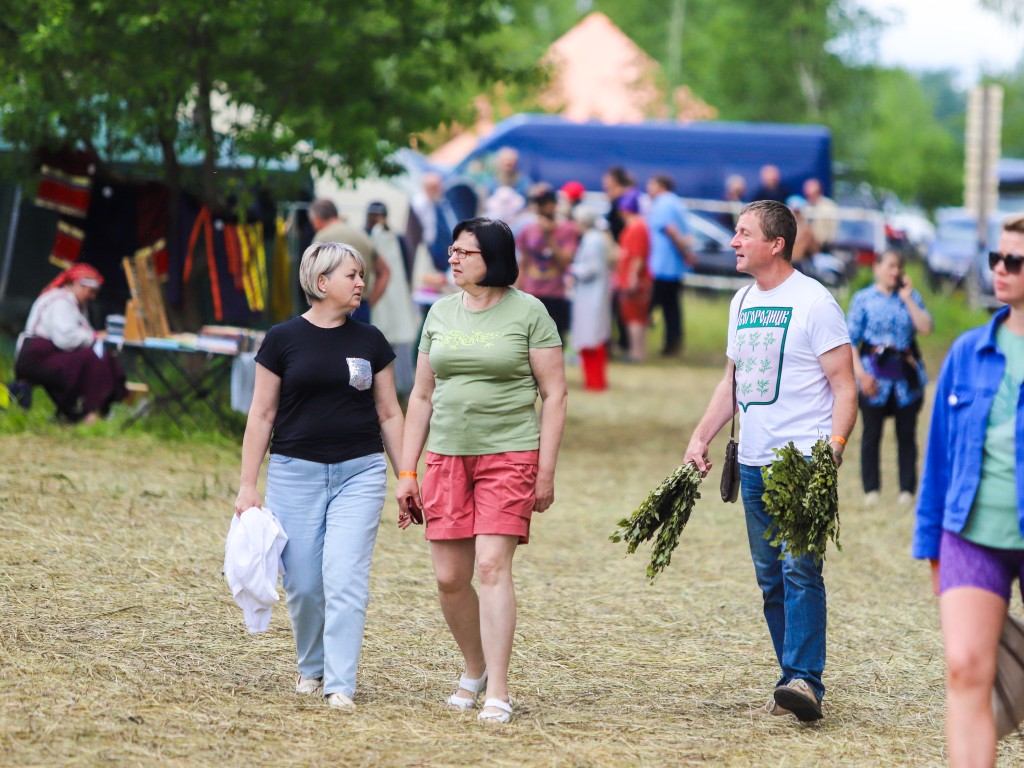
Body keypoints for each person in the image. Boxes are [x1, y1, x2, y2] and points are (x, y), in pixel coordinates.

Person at [683, 200, 857, 722]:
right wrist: (701, 436)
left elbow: (845, 387)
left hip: (802, 460)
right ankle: (791, 681)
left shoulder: (814, 302)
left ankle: (806, 680)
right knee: (771, 578)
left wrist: (834, 451)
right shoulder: (741, 302)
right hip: (755, 461)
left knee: (800, 569)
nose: (734, 242)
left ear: (775, 243)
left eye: (743, 233)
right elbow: (732, 381)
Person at [396, 217, 567, 724]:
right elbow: (421, 396)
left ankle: (499, 687)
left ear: (492, 257)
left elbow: (554, 394)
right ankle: (474, 668)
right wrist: (407, 472)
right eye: (451, 249)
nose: (453, 258)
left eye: (464, 252)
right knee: (450, 578)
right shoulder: (440, 313)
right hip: (446, 457)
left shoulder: (530, 312)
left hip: (509, 454)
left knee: (492, 567)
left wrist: (545, 470)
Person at [234, 241, 405, 710]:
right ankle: (312, 667)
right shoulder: (282, 339)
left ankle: (340, 684)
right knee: (305, 584)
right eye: (351, 275)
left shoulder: (370, 341)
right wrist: (248, 486)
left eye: (362, 275)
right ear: (321, 281)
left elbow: (390, 414)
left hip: (361, 473)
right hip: (294, 473)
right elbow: (261, 415)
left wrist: (406, 474)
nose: (360, 283)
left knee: (346, 579)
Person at [912, 213, 1024, 768]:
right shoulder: (967, 352)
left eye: (1015, 262)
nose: (1001, 270)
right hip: (970, 534)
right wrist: (931, 543)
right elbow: (939, 458)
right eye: (996, 259)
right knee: (965, 668)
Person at [847, 249, 933, 505]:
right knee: (871, 434)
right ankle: (871, 489)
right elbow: (850, 340)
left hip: (904, 377)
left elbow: (926, 327)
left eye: (899, 267)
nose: (895, 272)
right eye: (890, 266)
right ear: (877, 268)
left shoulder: (909, 297)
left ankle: (907, 489)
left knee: (907, 435)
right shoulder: (863, 299)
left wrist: (908, 299)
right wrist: (860, 375)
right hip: (873, 374)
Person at [14, 263, 127, 424]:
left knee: (98, 359)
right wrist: (95, 336)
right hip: (35, 358)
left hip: (49, 354)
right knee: (93, 359)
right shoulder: (61, 302)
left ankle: (87, 410)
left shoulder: (74, 304)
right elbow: (65, 340)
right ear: (78, 285)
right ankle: (88, 413)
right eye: (91, 291)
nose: (93, 296)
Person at [366, 201, 420, 397]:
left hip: (392, 295)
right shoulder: (371, 236)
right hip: (383, 295)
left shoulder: (394, 237)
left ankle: (400, 388)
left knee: (396, 342)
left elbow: (403, 269)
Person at [309, 199, 390, 323]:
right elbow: (385, 272)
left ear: (317, 219)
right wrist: (369, 303)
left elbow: (313, 277)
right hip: (360, 306)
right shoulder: (362, 236)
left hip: (331, 308)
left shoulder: (322, 238)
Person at [515, 185, 578, 339]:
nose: (541, 208)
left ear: (554, 205)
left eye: (545, 203)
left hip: (556, 292)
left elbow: (566, 263)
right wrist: (517, 289)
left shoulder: (568, 229)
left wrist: (549, 237)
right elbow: (523, 262)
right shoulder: (528, 229)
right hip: (532, 291)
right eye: (538, 203)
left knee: (555, 339)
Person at [645, 174, 696, 356]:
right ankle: (672, 344)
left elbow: (671, 230)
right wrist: (686, 254)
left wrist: (685, 252)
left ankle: (634, 343)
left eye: (651, 185)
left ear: (660, 186)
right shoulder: (676, 202)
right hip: (674, 266)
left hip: (661, 265)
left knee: (648, 305)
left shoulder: (663, 203)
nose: (648, 189)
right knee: (671, 308)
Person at [569, 205, 612, 391]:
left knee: (591, 338)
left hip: (591, 294)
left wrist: (573, 269)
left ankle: (595, 381)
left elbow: (591, 268)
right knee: (590, 337)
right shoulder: (594, 238)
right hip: (591, 294)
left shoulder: (592, 240)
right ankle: (592, 380)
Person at [408, 172, 458, 317]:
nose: (437, 190)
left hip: (442, 255)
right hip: (427, 254)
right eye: (433, 187)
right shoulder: (419, 204)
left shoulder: (443, 204)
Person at [615, 189, 652, 364]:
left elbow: (637, 255)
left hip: (635, 278)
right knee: (636, 316)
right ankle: (637, 351)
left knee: (634, 317)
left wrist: (632, 277)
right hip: (633, 276)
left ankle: (636, 353)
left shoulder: (637, 227)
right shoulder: (637, 226)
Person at [802, 178, 840, 252]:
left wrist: (828, 242)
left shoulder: (828, 206)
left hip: (824, 245)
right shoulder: (804, 206)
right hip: (807, 246)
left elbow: (833, 228)